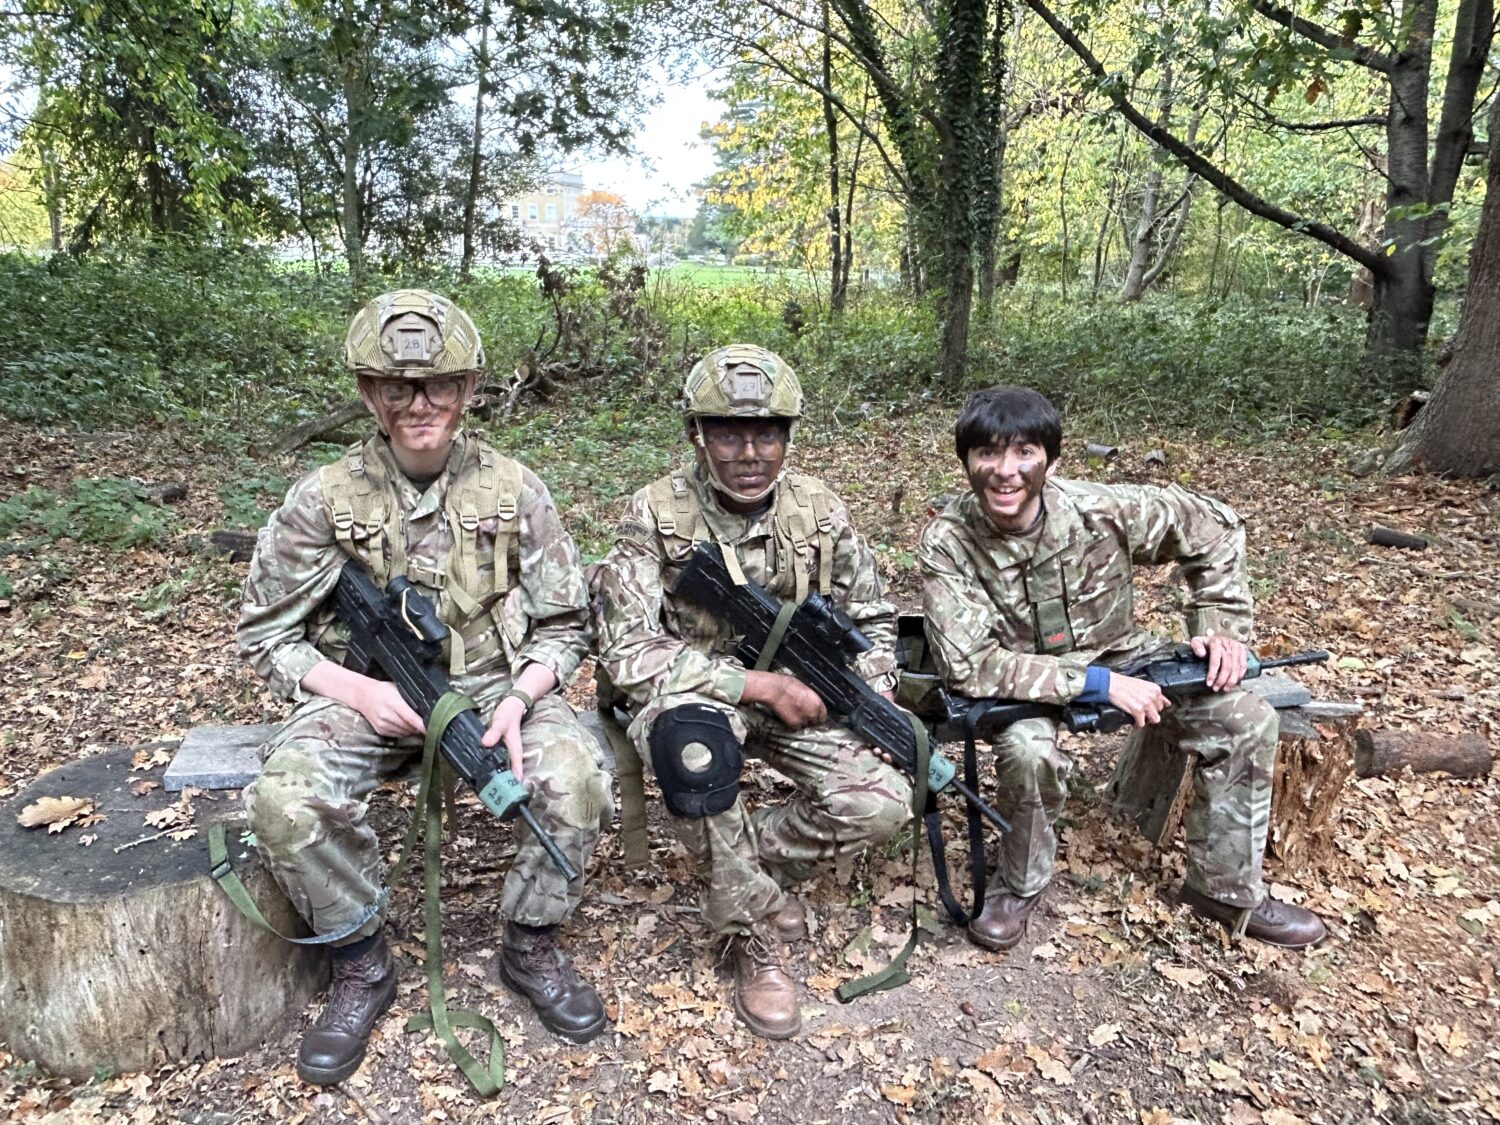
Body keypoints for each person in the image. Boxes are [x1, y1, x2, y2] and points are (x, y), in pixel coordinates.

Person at [237, 290, 612, 1086]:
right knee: (283, 802)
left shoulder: (516, 491)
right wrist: (356, 692)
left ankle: (530, 943)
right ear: (370, 393)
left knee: (577, 781)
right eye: (396, 387)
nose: (419, 405)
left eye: (439, 385)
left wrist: (520, 696)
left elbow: (566, 623)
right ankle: (363, 958)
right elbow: (267, 633)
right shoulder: (324, 497)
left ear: (468, 390)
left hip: (489, 695)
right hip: (368, 697)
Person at [919, 385, 1325, 953]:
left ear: (1051, 461)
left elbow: (1215, 525)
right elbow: (971, 666)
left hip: (1121, 651)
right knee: (1027, 751)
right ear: (966, 461)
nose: (1004, 472)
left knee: (1246, 718)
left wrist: (1219, 625)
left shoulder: (1102, 509)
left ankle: (1225, 892)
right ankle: (1021, 887)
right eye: (987, 454)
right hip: (1020, 678)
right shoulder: (948, 542)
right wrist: (1099, 685)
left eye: (1024, 454)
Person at [591, 345, 911, 1040]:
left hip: (807, 696)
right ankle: (751, 933)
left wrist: (875, 694)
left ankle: (739, 865)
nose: (749, 452)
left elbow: (876, 617)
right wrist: (753, 683)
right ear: (696, 435)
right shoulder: (654, 513)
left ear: (787, 438)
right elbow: (625, 648)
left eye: (767, 433)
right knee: (694, 754)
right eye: (728, 433)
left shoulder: (820, 509)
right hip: (696, 694)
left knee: (883, 802)